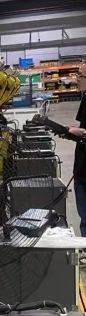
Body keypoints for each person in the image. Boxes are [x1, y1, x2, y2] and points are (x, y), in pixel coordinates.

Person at [68, 93, 86, 238]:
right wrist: (71, 133)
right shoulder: (85, 98)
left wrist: (83, 133)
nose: (76, 81)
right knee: (84, 218)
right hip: (81, 168)